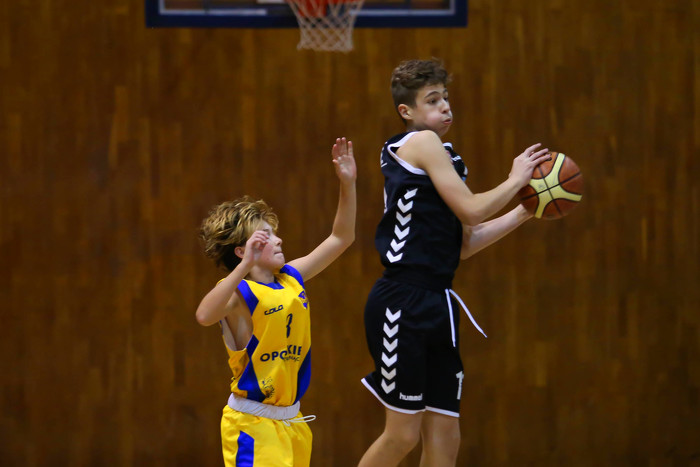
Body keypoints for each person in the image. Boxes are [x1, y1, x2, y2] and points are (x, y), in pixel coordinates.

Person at [358, 59, 551, 466]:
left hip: (438, 302)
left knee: (445, 438)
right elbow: (472, 209)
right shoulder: (420, 143)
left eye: (445, 97)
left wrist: (524, 211)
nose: (445, 106)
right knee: (402, 435)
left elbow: (465, 243)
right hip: (402, 302)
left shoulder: (446, 158)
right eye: (432, 100)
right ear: (406, 111)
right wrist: (517, 179)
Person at [196, 138, 356, 467]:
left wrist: (348, 184)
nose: (279, 239)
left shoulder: (291, 277)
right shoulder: (238, 293)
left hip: (292, 422)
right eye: (266, 235)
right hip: (252, 424)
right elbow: (204, 315)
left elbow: (342, 238)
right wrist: (244, 266)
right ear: (242, 250)